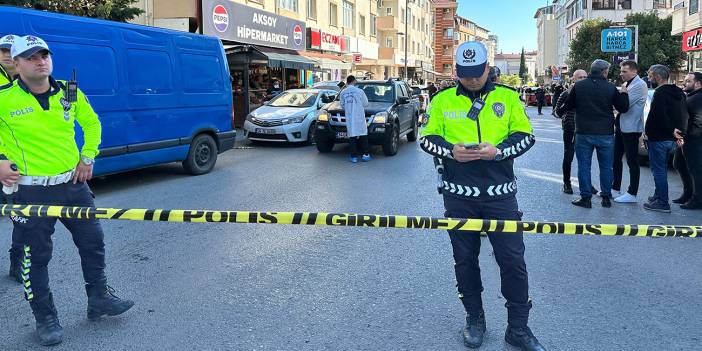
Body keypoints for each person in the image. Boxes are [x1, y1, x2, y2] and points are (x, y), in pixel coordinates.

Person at [0, 35, 134, 346]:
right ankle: (45, 319)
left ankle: (99, 297)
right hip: (30, 191)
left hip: (73, 186)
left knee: (93, 243)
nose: (40, 60)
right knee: (36, 258)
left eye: (44, 54)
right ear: (16, 63)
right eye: (31, 56)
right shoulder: (3, 97)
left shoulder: (69, 91)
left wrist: (88, 156)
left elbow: (92, 123)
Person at [419, 41, 545, 351]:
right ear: (456, 71)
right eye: (466, 74)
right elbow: (426, 139)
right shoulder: (442, 99)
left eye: (478, 73)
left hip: (501, 196)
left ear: (488, 68)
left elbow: (526, 137)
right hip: (459, 196)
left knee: (513, 261)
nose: (472, 80)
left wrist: (498, 152)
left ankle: (518, 327)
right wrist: (451, 152)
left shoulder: (508, 97)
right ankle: (474, 319)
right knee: (464, 260)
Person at [561, 59, 629, 208]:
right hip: (605, 133)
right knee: (606, 167)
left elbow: (567, 106)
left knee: (584, 166)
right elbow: (623, 108)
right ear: (604, 72)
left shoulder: (579, 86)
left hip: (583, 132)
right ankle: (605, 197)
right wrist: (624, 93)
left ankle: (586, 198)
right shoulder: (611, 88)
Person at [644, 64, 688, 213]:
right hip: (671, 138)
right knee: (660, 169)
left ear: (657, 77)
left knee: (659, 170)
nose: (649, 79)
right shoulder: (679, 92)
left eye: (650, 76)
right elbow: (683, 114)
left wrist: (669, 130)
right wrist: (678, 131)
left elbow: (659, 115)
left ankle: (662, 202)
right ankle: (658, 196)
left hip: (659, 137)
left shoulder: (660, 93)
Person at [555, 69, 601, 196]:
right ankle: (567, 183)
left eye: (585, 77)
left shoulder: (592, 92)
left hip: (586, 129)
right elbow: (557, 112)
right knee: (568, 157)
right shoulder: (566, 93)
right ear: (573, 79)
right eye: (580, 77)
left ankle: (587, 184)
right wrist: (567, 113)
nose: (583, 79)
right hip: (570, 129)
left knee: (586, 159)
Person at [1, 33, 23, 283]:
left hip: (18, 164)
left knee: (20, 215)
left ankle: (17, 262)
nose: (7, 54)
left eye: (11, 50)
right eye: (2, 50)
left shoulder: (26, 80)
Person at [612, 60, 648, 203]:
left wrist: (622, 94)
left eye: (624, 71)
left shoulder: (639, 85)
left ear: (634, 71)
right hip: (622, 126)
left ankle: (632, 193)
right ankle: (615, 188)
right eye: (621, 71)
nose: (621, 74)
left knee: (632, 161)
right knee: (616, 158)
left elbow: (623, 106)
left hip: (632, 129)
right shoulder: (628, 84)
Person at [678, 72, 702, 209]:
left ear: (697, 83)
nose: (684, 83)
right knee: (679, 163)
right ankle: (688, 194)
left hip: (694, 140)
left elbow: (698, 122)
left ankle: (697, 200)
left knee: (695, 171)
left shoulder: (697, 98)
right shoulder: (691, 97)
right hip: (686, 139)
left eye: (688, 81)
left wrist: (684, 135)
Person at [340, 75, 370, 163]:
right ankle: (366, 155)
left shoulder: (343, 92)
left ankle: (354, 157)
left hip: (349, 117)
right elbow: (365, 103)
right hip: (359, 117)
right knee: (363, 135)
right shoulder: (360, 91)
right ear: (353, 81)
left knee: (352, 136)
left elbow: (342, 105)